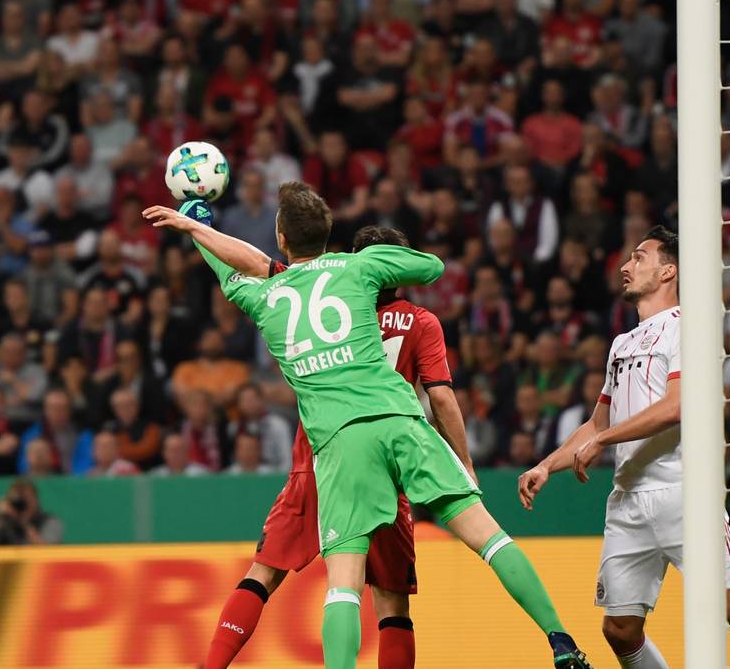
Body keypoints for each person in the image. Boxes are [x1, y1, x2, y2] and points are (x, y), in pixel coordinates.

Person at [144, 183, 590, 668]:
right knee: (488, 538)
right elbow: (433, 268)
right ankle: (560, 640)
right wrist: (375, 260)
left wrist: (197, 228)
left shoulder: (265, 297)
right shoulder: (359, 269)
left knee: (342, 584)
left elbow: (236, 273)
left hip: (338, 445)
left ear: (281, 237)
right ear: (330, 233)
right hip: (402, 421)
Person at [517, 227, 730, 669]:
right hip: (628, 501)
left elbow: (677, 407)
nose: (626, 266)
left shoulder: (689, 328)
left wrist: (602, 439)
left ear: (668, 270)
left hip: (683, 493)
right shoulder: (621, 344)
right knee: (618, 629)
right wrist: (546, 465)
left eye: (639, 257)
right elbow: (598, 421)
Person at [0, 478, 63, 545]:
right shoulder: (5, 521)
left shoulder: (50, 521)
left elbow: (47, 550)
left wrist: (23, 522)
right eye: (17, 499)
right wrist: (1, 517)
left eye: (26, 498)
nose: (21, 502)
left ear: (35, 500)